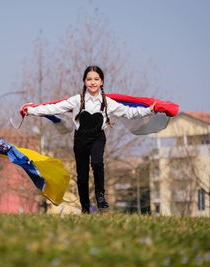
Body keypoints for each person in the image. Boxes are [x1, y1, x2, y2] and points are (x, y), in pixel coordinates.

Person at [22, 66, 155, 214]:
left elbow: (129, 112)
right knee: (82, 175)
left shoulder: (108, 102)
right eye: (89, 79)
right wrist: (32, 111)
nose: (93, 82)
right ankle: (85, 206)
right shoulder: (76, 100)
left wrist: (147, 111)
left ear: (102, 82)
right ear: (84, 82)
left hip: (98, 138)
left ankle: (100, 196)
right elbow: (53, 108)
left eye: (96, 79)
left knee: (98, 163)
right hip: (81, 139)